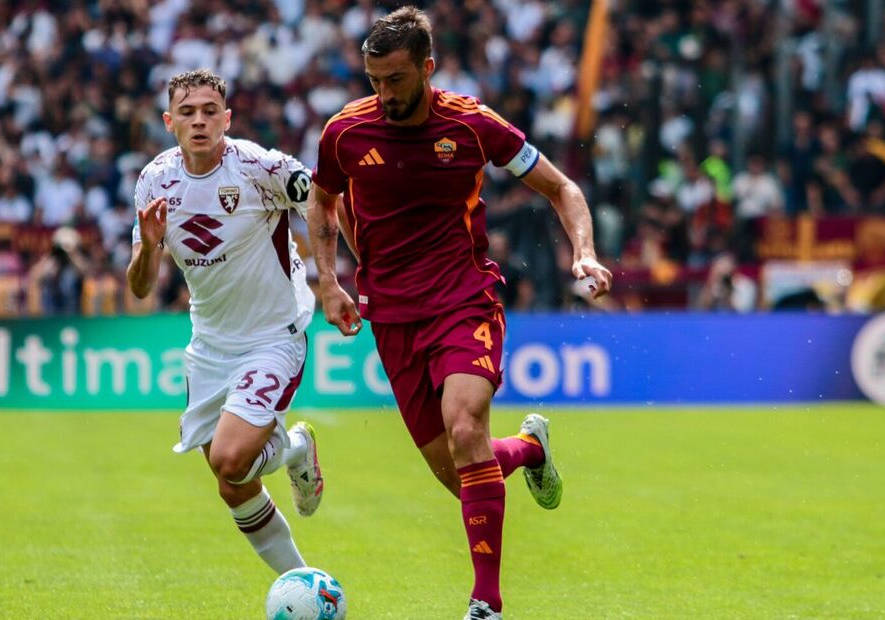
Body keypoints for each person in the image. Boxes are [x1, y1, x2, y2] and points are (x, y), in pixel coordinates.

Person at [305, 9, 612, 619]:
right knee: (461, 471)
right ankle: (528, 448)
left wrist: (584, 254)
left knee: (467, 429)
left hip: (462, 298)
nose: (383, 94)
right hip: (390, 314)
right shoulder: (344, 133)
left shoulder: (472, 125)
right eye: (374, 81)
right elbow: (323, 199)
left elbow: (563, 189)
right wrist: (327, 281)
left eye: (395, 80)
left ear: (427, 68)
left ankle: (486, 603)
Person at [125, 69, 324, 578]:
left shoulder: (262, 167)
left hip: (272, 337)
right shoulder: (154, 180)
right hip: (210, 347)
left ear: (227, 118)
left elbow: (324, 204)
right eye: (187, 113)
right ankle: (301, 585)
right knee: (231, 484)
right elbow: (142, 287)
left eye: (210, 111)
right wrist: (149, 248)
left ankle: (295, 446)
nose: (199, 121)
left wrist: (335, 282)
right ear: (170, 122)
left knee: (232, 460)